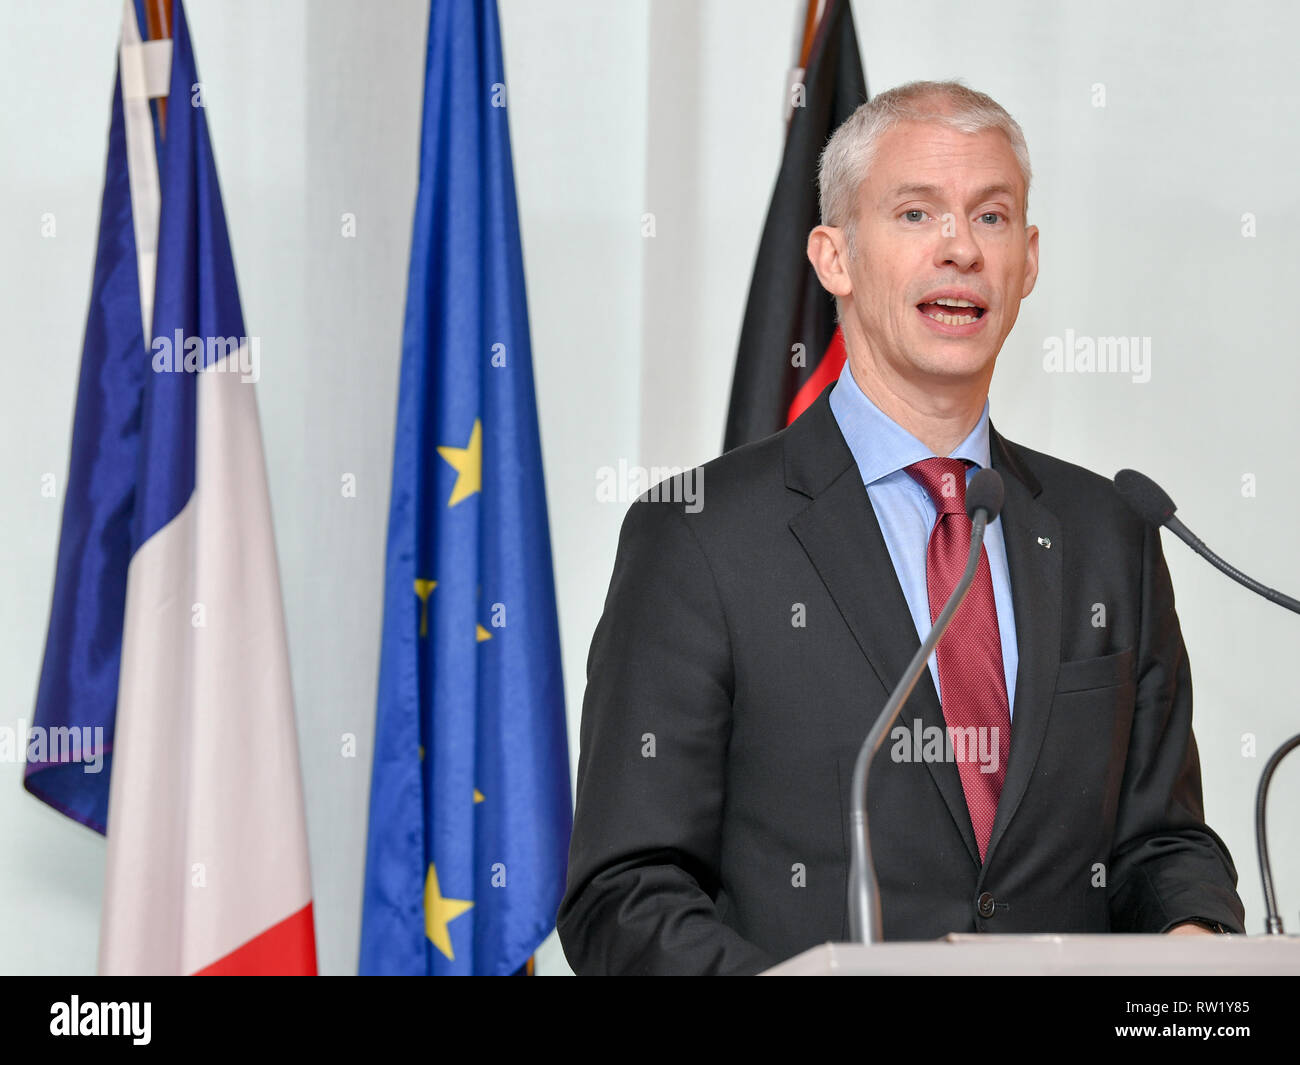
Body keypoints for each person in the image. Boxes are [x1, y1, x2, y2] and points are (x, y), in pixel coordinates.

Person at [557, 81, 1246, 976]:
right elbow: (626, 891)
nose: (961, 248)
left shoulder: (1109, 532)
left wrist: (1195, 951)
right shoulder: (696, 537)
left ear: (1028, 262)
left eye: (992, 218)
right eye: (917, 213)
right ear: (833, 256)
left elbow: (1162, 846)